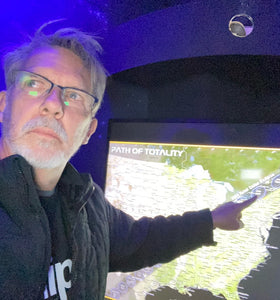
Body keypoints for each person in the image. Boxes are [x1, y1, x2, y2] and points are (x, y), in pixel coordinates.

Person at [0, 24, 257, 300]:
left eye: (74, 95)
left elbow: (141, 240)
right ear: (3, 104)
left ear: (88, 130)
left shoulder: (89, 205)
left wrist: (211, 219)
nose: (53, 104)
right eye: (35, 83)